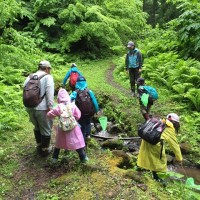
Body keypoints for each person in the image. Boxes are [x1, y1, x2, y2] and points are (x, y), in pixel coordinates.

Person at [137, 113, 183, 185]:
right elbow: (174, 145)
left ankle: (140, 168)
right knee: (159, 160)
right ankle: (157, 177)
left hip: (146, 141)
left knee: (145, 155)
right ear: (175, 123)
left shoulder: (160, 121)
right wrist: (179, 158)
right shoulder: (170, 128)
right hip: (155, 144)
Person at [47, 88, 88, 163]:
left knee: (58, 143)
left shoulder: (59, 107)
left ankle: (54, 159)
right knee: (76, 142)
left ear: (59, 98)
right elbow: (78, 115)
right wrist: (74, 119)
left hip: (62, 128)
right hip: (73, 127)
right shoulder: (72, 105)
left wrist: (50, 110)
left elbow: (49, 115)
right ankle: (83, 158)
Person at [23, 60, 54, 156]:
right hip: (42, 108)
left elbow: (24, 91)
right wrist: (50, 107)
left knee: (37, 126)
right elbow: (49, 93)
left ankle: (39, 145)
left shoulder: (29, 77)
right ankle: (45, 150)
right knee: (46, 128)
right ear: (47, 68)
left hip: (29, 106)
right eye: (49, 69)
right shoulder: (48, 77)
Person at [70, 76, 99, 142]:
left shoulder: (75, 92)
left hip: (79, 113)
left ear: (77, 83)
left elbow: (68, 100)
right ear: (85, 83)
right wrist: (96, 110)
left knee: (82, 125)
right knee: (88, 122)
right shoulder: (89, 91)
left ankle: (82, 140)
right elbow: (94, 101)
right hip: (89, 112)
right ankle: (88, 135)